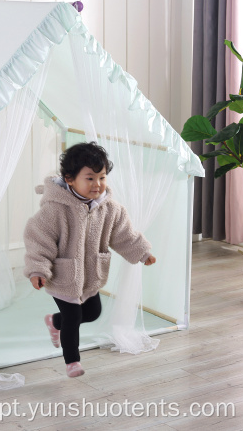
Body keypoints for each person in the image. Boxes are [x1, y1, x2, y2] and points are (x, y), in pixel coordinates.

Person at [23, 142, 156, 378]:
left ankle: (55, 322)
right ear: (70, 179)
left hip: (91, 275)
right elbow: (39, 239)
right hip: (63, 274)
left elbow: (123, 234)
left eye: (102, 177)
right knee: (73, 317)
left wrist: (142, 252)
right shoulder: (55, 210)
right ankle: (72, 361)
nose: (98, 185)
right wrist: (38, 270)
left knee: (93, 312)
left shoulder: (110, 209)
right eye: (90, 178)